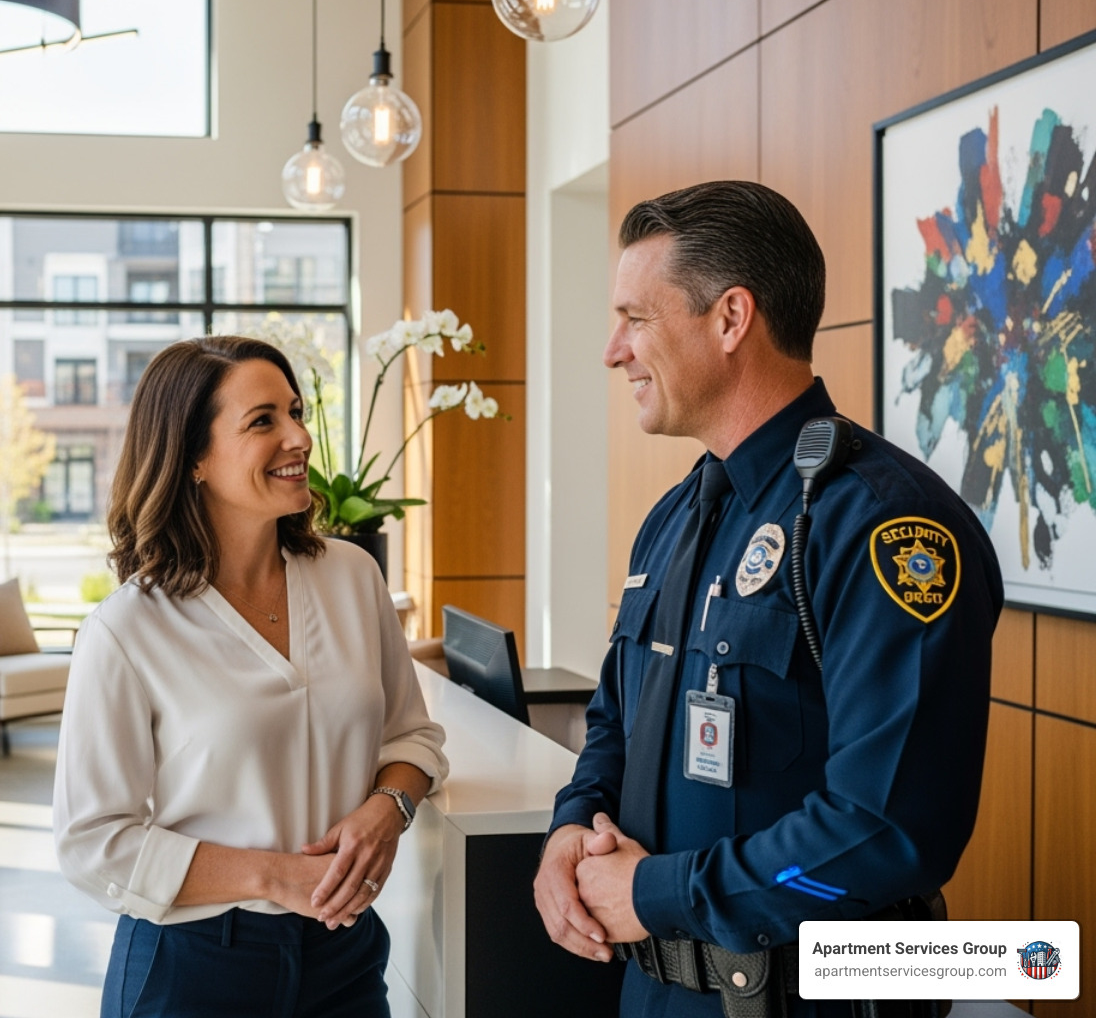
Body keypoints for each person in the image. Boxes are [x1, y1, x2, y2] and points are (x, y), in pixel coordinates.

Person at [534, 181, 1004, 1018]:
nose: (614, 351)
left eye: (636, 319)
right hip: (653, 990)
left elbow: (886, 831)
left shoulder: (885, 527)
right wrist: (573, 827)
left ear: (730, 319)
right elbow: (616, 718)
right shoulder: (677, 517)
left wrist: (657, 890)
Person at [52, 336, 448, 1018]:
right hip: (194, 966)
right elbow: (94, 843)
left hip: (343, 954)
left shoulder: (352, 577)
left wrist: (390, 809)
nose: (299, 436)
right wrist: (276, 876)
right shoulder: (126, 630)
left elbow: (413, 737)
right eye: (263, 421)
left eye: (295, 411)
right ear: (195, 458)